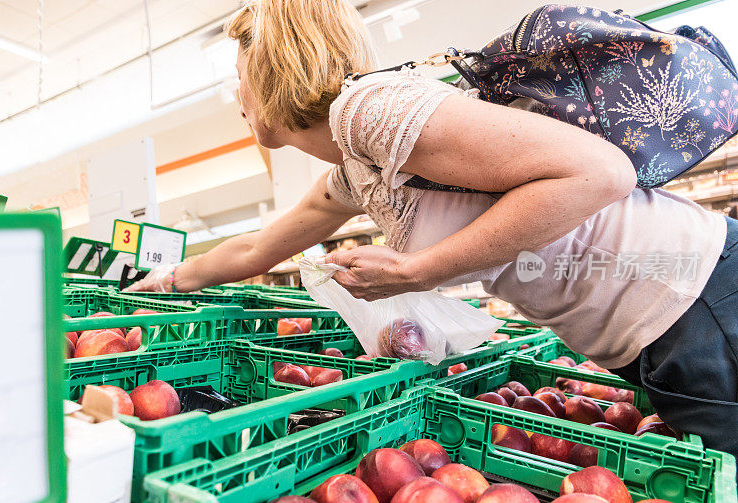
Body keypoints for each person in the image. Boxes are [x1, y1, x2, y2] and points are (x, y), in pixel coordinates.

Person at [126, 0, 737, 462]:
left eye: (241, 74)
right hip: (661, 330)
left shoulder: (367, 109)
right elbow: (259, 247)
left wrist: (418, 272)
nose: (238, 96)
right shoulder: (356, 165)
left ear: (274, 65)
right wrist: (170, 277)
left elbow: (601, 173)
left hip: (700, 302)